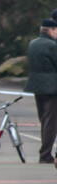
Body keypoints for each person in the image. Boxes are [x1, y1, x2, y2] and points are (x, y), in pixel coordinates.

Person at [25, 17, 57, 164]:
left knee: (44, 119)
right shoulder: (52, 46)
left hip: (36, 86)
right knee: (51, 122)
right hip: (52, 88)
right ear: (51, 30)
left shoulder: (33, 44)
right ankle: (45, 154)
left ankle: (45, 152)